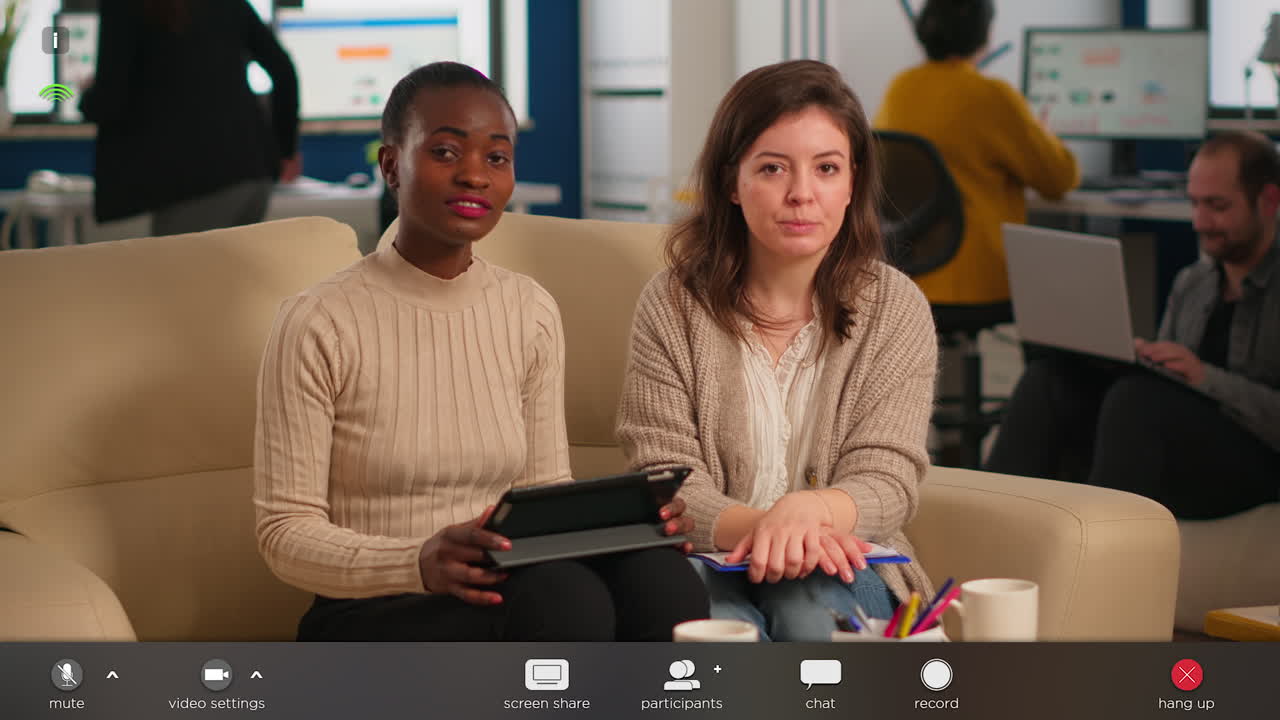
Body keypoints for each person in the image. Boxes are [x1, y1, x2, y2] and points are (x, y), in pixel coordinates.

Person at [254, 62, 706, 642]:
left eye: (496, 158)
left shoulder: (530, 310)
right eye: (445, 152)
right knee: (564, 600)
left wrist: (628, 527)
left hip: (514, 586)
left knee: (662, 578)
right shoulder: (317, 322)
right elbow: (283, 533)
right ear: (392, 164)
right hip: (373, 608)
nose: (475, 175)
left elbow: (546, 497)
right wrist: (418, 560)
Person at [615, 60, 938, 642]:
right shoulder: (671, 304)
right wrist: (775, 527)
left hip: (847, 566)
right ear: (731, 183)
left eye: (826, 168)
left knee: (807, 606)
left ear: (851, 184)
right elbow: (662, 482)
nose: (801, 195)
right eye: (772, 168)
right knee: (717, 629)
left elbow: (887, 479)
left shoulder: (896, 307)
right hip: (705, 561)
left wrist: (811, 514)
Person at [986, 131, 1280, 519]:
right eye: (1194, 204)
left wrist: (1202, 376)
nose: (1200, 222)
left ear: (1269, 200)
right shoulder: (1192, 283)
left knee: (1137, 401)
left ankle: (1100, 557)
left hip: (1255, 459)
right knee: (1050, 381)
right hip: (1175, 444)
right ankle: (989, 537)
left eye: (1218, 206)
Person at [874, 0, 1078, 312]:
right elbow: (1060, 179)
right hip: (983, 280)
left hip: (912, 271)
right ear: (984, 35)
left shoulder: (899, 87)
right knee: (1068, 292)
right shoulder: (991, 95)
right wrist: (1041, 132)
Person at [80, 0, 301, 236]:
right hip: (253, 174)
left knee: (176, 272)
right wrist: (286, 151)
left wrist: (87, 97)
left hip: (194, 181)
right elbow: (283, 70)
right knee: (228, 273)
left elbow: (110, 98)